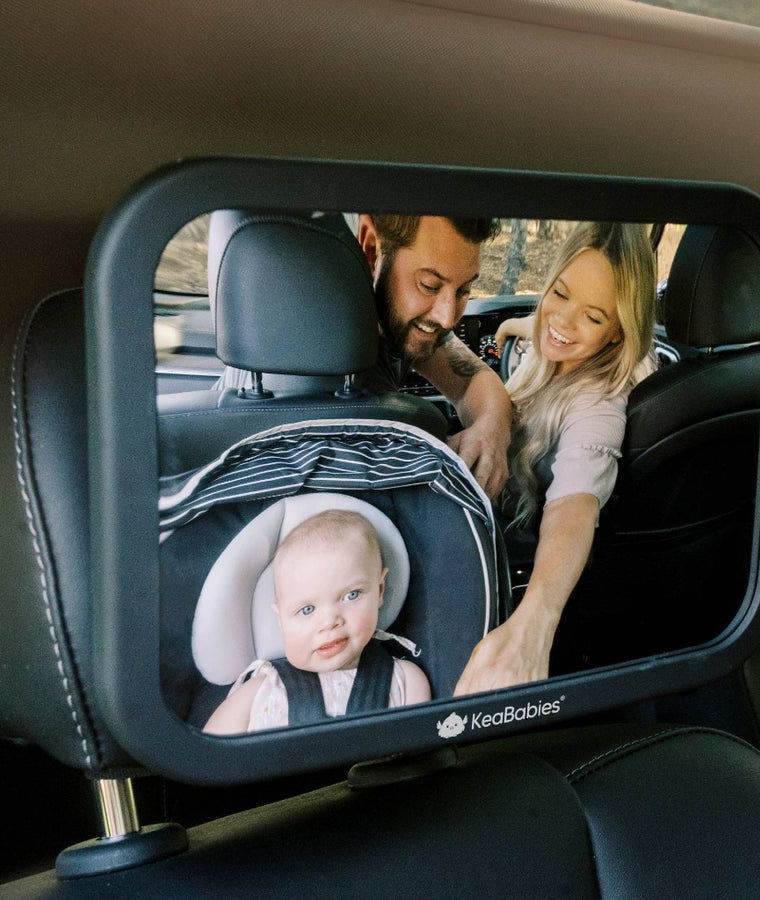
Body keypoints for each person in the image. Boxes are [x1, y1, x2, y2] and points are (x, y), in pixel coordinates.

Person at [454, 222, 656, 696]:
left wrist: (534, 624)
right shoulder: (556, 348)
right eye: (560, 293)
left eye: (593, 316)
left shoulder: (597, 403)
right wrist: (512, 327)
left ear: (617, 331)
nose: (562, 322)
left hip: (509, 563)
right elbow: (551, 325)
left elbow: (575, 504)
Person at [203, 509, 430, 734]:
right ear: (280, 619)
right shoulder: (258, 691)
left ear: (379, 590)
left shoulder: (406, 680)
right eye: (307, 609)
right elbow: (210, 753)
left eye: (351, 595)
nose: (329, 622)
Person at [356, 214, 512, 500]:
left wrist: (491, 428)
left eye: (464, 290)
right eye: (429, 285)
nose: (447, 318)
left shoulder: (401, 324)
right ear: (371, 249)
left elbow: (473, 379)